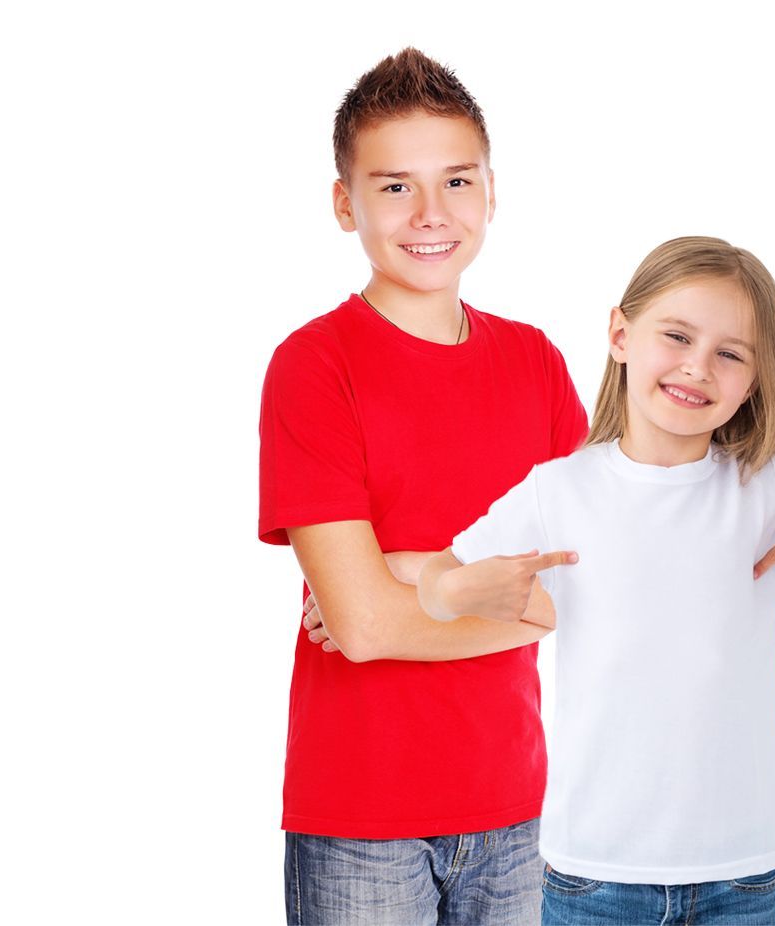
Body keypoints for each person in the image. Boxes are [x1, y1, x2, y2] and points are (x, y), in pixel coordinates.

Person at [415, 237, 775, 925]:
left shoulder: (769, 495)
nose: (698, 367)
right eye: (677, 336)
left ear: (753, 381)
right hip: (593, 875)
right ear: (620, 334)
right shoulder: (558, 491)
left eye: (730, 353)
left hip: (740, 879)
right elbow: (435, 578)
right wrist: (455, 594)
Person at [257, 48, 587, 925]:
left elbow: (589, 594)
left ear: (491, 191)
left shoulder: (535, 364)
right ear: (345, 202)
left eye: (457, 181)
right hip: (361, 820)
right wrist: (498, 594)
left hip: (518, 810)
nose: (431, 214)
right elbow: (360, 632)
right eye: (396, 186)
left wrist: (407, 573)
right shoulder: (313, 367)